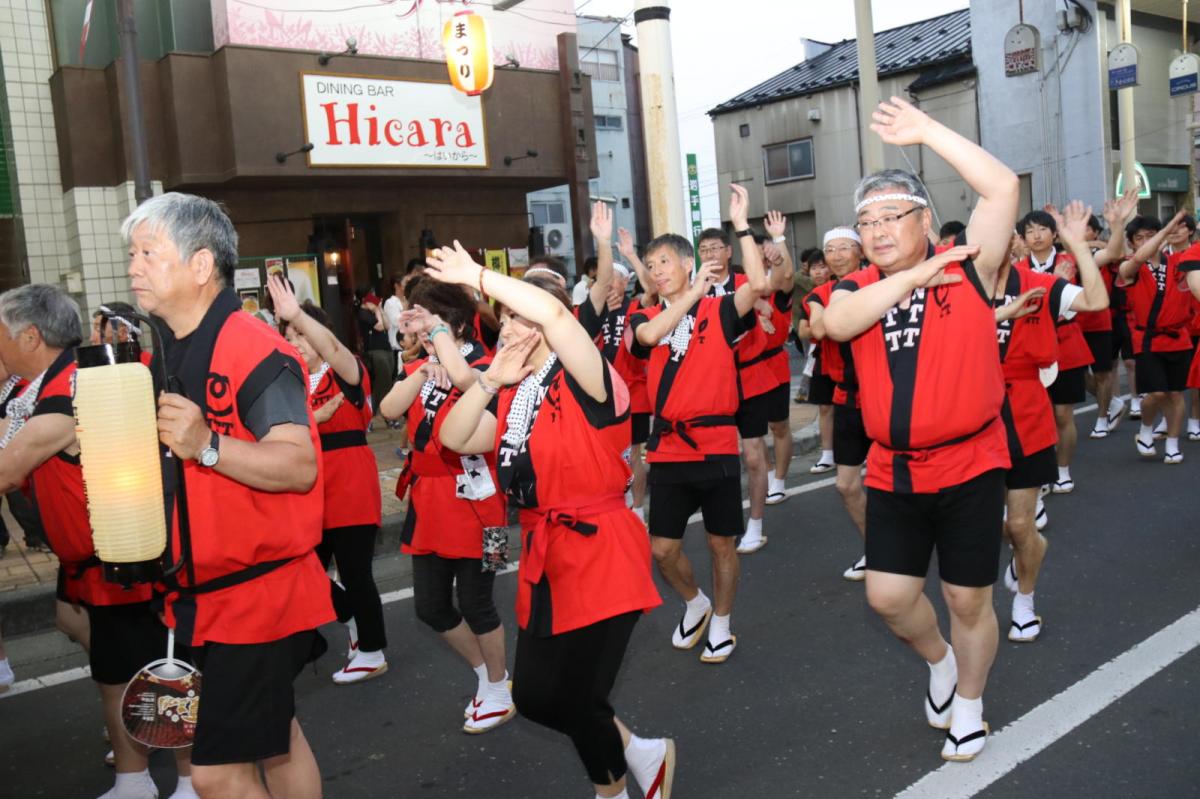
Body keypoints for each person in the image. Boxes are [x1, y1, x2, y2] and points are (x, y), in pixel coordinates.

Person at [429, 243, 673, 799]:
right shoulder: (514, 394)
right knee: (536, 696)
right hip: (547, 553)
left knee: (579, 697)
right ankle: (642, 753)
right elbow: (455, 437)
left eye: (518, 316)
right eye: (504, 320)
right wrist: (490, 381)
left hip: (601, 548)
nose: (508, 328)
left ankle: (612, 789)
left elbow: (558, 317)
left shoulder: (590, 376)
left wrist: (477, 275)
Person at [823, 96, 1019, 762]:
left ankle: (970, 702)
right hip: (895, 467)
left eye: (891, 217)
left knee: (967, 597)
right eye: (866, 221)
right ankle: (940, 661)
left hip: (971, 461)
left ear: (924, 220)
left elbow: (1003, 187)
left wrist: (927, 132)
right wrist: (912, 277)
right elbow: (839, 325)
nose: (877, 230)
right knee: (888, 597)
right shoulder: (854, 288)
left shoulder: (969, 267)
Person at [125, 192, 334, 798]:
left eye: (148, 253)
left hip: (258, 597)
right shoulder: (164, 351)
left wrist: (207, 444)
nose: (134, 267)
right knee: (276, 740)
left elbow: (298, 465)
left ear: (200, 264)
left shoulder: (255, 345)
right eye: (132, 254)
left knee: (215, 775)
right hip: (202, 595)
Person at [0, 284, 198, 799]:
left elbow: (7, 467)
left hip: (124, 556)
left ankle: (190, 779)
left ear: (30, 336)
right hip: (94, 561)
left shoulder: (73, 390)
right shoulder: (52, 382)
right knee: (114, 668)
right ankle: (134, 777)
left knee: (157, 672)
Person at [630, 184, 767, 664]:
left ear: (688, 263)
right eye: (650, 265)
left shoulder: (720, 310)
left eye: (664, 261)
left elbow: (759, 285)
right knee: (662, 549)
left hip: (716, 445)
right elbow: (650, 336)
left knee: (720, 543)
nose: (656, 271)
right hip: (668, 448)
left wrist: (742, 226)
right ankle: (695, 603)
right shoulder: (645, 314)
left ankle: (722, 623)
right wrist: (691, 294)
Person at [378, 275, 514, 734]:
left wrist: (437, 340)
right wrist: (420, 369)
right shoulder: (424, 364)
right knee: (430, 606)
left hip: (484, 505)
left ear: (453, 322)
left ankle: (498, 685)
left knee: (479, 603)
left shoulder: (486, 363)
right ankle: (486, 675)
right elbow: (388, 410)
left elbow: (466, 380)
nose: (420, 328)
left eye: (429, 318)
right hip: (429, 502)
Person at [992, 201, 1108, 644]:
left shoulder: (1039, 284)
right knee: (992, 525)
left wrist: (1077, 246)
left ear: (1014, 243)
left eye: (1002, 236)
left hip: (1025, 411)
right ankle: (1022, 556)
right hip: (972, 414)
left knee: (1022, 525)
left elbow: (1096, 301)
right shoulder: (959, 289)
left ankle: (1024, 601)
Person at [268, 276, 389, 685]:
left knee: (355, 572)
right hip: (310, 486)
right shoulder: (292, 383)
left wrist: (298, 315)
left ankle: (372, 650)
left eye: (303, 335)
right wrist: (312, 422)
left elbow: (337, 352)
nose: (297, 343)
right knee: (305, 571)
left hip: (350, 481)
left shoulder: (344, 371)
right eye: (290, 337)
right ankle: (350, 618)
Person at [692, 225, 775, 554]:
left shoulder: (744, 282)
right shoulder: (695, 288)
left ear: (728, 252)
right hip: (712, 382)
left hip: (749, 377)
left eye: (715, 248)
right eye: (704, 250)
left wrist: (760, 309)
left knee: (753, 454)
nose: (710, 254)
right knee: (716, 456)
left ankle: (756, 523)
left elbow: (767, 296)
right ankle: (721, 521)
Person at [804, 227, 871, 580]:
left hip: (888, 394)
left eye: (845, 247)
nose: (837, 255)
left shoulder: (880, 282)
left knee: (901, 481)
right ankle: (876, 548)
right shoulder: (821, 292)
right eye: (830, 249)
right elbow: (817, 329)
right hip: (847, 396)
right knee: (846, 484)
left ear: (861, 251)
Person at [1015, 210, 1091, 493]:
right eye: (1030, 231)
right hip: (1030, 347)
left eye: (1042, 229)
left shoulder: (1070, 260)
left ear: (1054, 234)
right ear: (1023, 239)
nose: (1036, 236)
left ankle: (1063, 468)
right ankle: (1040, 474)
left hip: (1066, 344)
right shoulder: (1017, 268)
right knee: (1036, 416)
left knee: (1062, 414)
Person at [1118, 210, 1194, 463]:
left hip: (1179, 337)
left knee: (1175, 394)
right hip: (1147, 339)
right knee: (1157, 393)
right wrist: (1166, 228)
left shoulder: (1178, 262)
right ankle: (1146, 429)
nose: (1146, 241)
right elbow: (1138, 259)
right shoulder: (1129, 266)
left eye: (1151, 236)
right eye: (1139, 238)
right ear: (1131, 243)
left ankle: (1172, 443)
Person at [758, 212, 798, 512]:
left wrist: (779, 239)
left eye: (764, 252)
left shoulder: (778, 290)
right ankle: (769, 473)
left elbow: (787, 275)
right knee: (752, 432)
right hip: (745, 369)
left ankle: (780, 480)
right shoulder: (743, 288)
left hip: (774, 366)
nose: (762, 256)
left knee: (779, 426)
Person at [795, 257, 836, 472]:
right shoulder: (809, 299)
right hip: (821, 356)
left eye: (822, 267)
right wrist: (830, 327)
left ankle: (865, 450)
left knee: (856, 406)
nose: (818, 272)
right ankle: (828, 454)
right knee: (825, 406)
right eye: (814, 268)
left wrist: (822, 327)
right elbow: (803, 331)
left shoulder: (844, 289)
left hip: (850, 355)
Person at [357, 288, 394, 419]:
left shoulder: (373, 311)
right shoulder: (363, 314)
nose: (374, 299)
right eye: (371, 297)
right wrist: (377, 310)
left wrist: (380, 309)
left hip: (386, 349)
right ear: (364, 299)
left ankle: (375, 413)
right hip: (376, 352)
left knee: (386, 382)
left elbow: (388, 326)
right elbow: (380, 326)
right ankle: (380, 414)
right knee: (382, 384)